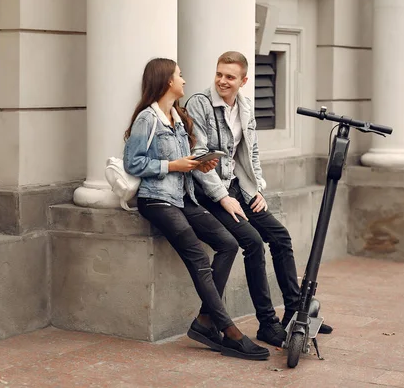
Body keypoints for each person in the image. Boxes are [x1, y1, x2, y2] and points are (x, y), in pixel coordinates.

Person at [123, 58, 269, 361]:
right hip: (157, 199)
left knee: (228, 244)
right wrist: (171, 165)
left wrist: (200, 163)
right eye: (179, 75)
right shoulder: (147, 119)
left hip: (183, 196)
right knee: (200, 257)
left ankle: (204, 321)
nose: (184, 80)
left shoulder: (179, 116)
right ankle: (228, 330)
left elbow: (188, 161)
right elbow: (132, 162)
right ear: (166, 82)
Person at [185, 51, 333, 348]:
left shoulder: (246, 107)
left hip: (240, 187)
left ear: (243, 80)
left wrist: (257, 189)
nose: (222, 81)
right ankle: (267, 323)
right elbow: (198, 156)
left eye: (230, 77)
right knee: (252, 242)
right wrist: (223, 198)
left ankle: (294, 311)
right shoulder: (199, 104)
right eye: (219, 74)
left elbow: (250, 153)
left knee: (280, 237)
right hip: (210, 193)